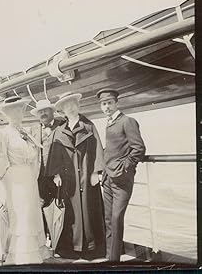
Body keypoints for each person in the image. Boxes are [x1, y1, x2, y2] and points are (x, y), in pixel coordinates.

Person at [0, 96, 51, 265]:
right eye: (14, 111)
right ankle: (21, 255)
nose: (19, 114)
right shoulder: (4, 134)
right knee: (20, 214)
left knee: (31, 213)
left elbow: (34, 156)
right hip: (15, 179)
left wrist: (32, 174)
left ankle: (36, 250)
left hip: (28, 178)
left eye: (20, 110)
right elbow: (0, 164)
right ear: (8, 114)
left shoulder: (24, 133)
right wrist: (7, 184)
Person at [45, 92, 106, 260]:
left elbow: (98, 150)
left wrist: (96, 172)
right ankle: (70, 247)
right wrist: (56, 174)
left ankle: (91, 248)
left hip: (86, 176)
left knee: (88, 210)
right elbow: (54, 153)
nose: (70, 108)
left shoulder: (89, 126)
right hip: (68, 179)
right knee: (70, 213)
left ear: (78, 106)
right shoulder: (59, 130)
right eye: (66, 106)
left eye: (72, 104)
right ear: (63, 110)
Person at [96, 89, 146, 262]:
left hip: (121, 179)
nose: (107, 107)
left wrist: (125, 168)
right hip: (108, 179)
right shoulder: (109, 123)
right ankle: (112, 259)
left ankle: (114, 259)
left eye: (110, 103)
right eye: (104, 104)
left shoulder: (127, 121)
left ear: (117, 103)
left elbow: (138, 149)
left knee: (117, 218)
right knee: (109, 219)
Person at [30, 99, 65, 206]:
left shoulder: (62, 124)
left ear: (52, 111)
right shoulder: (33, 129)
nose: (43, 114)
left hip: (60, 176)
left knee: (61, 207)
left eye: (45, 110)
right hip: (41, 176)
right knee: (43, 206)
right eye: (40, 112)